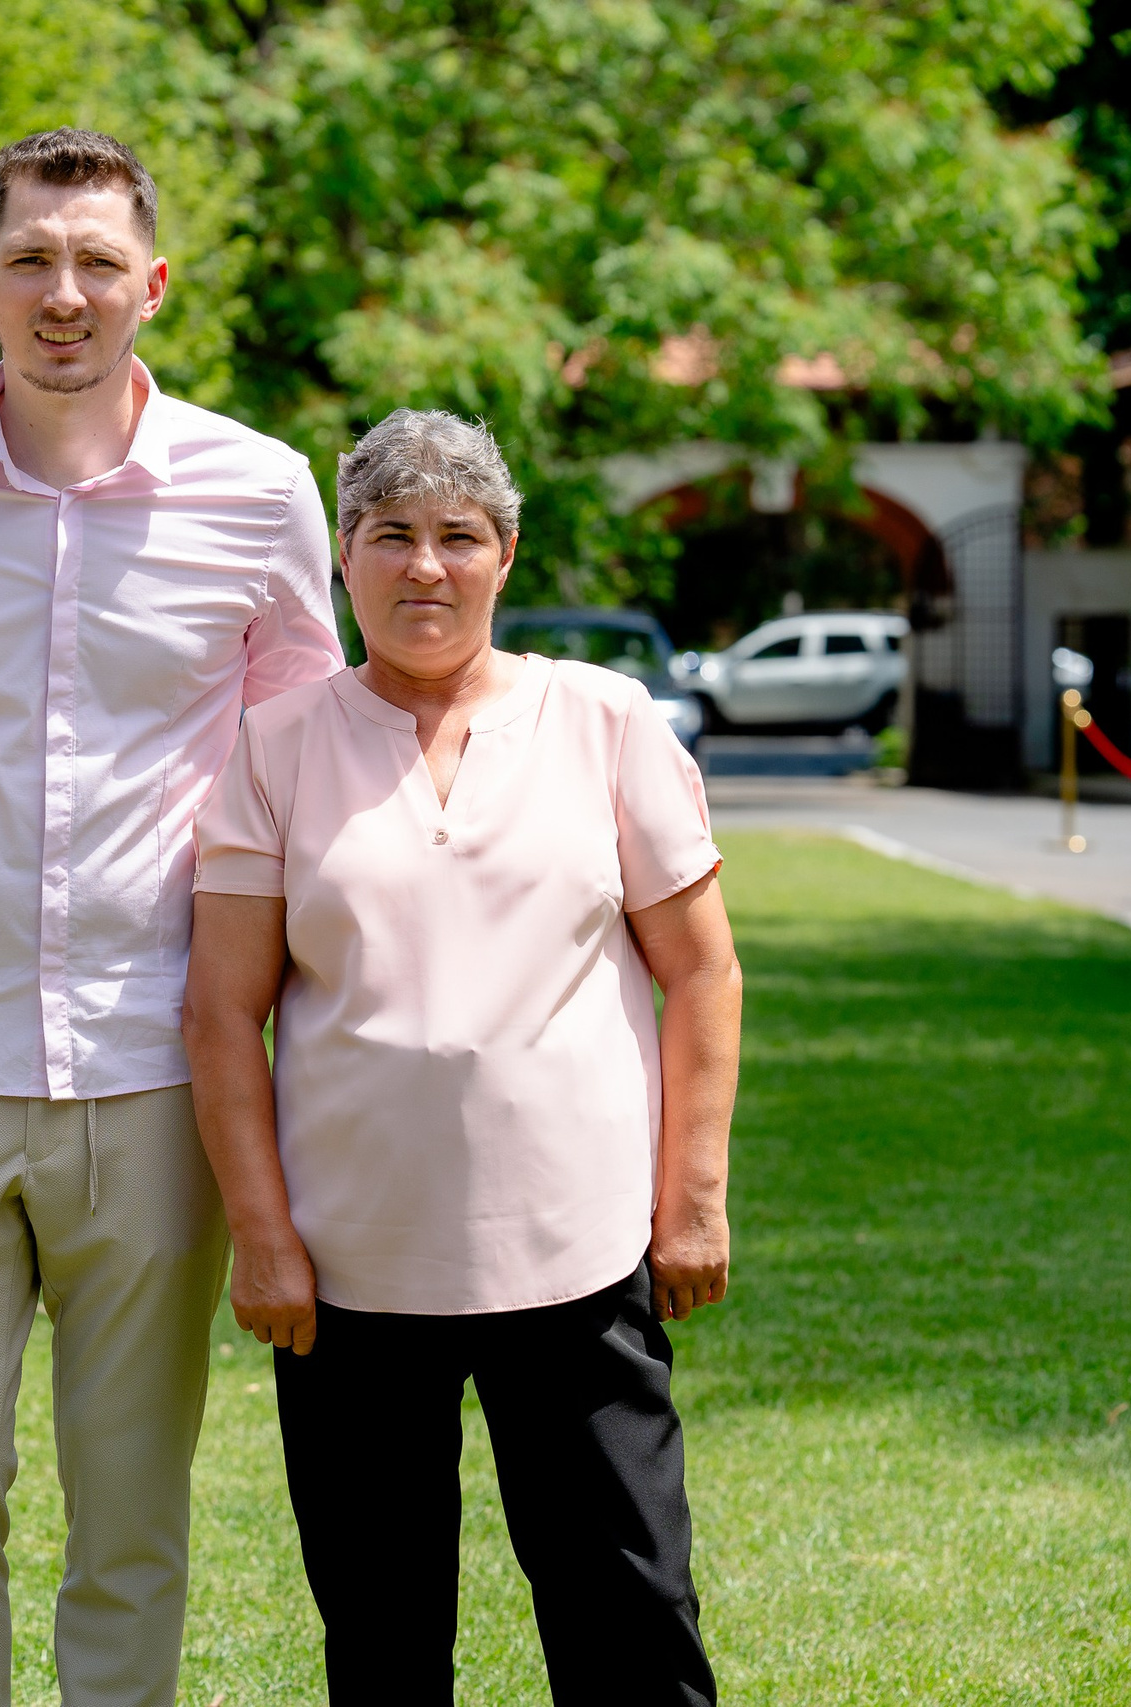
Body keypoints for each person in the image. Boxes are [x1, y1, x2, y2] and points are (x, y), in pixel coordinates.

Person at [0, 129, 345, 1707]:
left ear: (153, 285)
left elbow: (317, 779)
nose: (65, 293)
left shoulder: (263, 493)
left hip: (160, 1067)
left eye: (98, 262)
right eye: (32, 260)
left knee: (133, 1510)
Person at [183, 410, 740, 1704]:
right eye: (392, 535)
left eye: (457, 537)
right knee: (381, 1639)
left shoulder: (604, 720)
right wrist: (262, 1234)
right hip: (352, 1268)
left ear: (504, 554)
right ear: (345, 558)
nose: (424, 566)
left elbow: (702, 969)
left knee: (630, 1612)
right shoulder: (275, 748)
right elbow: (222, 1012)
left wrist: (694, 1196)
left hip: (581, 1251)